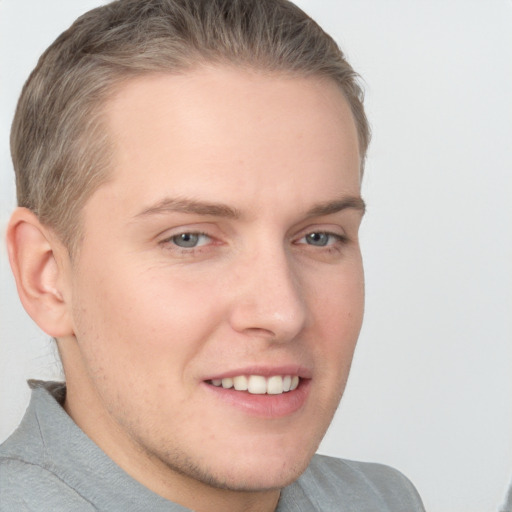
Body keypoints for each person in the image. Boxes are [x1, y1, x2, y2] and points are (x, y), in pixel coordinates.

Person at [0, 1, 425, 510]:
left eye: (318, 237)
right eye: (190, 239)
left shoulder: (381, 500)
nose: (282, 313)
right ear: (46, 276)